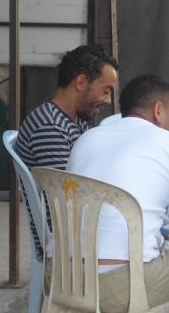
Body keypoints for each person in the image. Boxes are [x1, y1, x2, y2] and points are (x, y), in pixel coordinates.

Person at [66, 75, 169, 313]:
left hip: (65, 277)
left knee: (145, 253)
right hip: (119, 285)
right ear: (158, 111)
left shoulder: (87, 139)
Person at [16, 44, 118, 262]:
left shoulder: (75, 120)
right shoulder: (50, 127)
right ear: (81, 82)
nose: (108, 100)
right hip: (66, 245)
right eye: (105, 90)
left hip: (78, 231)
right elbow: (65, 203)